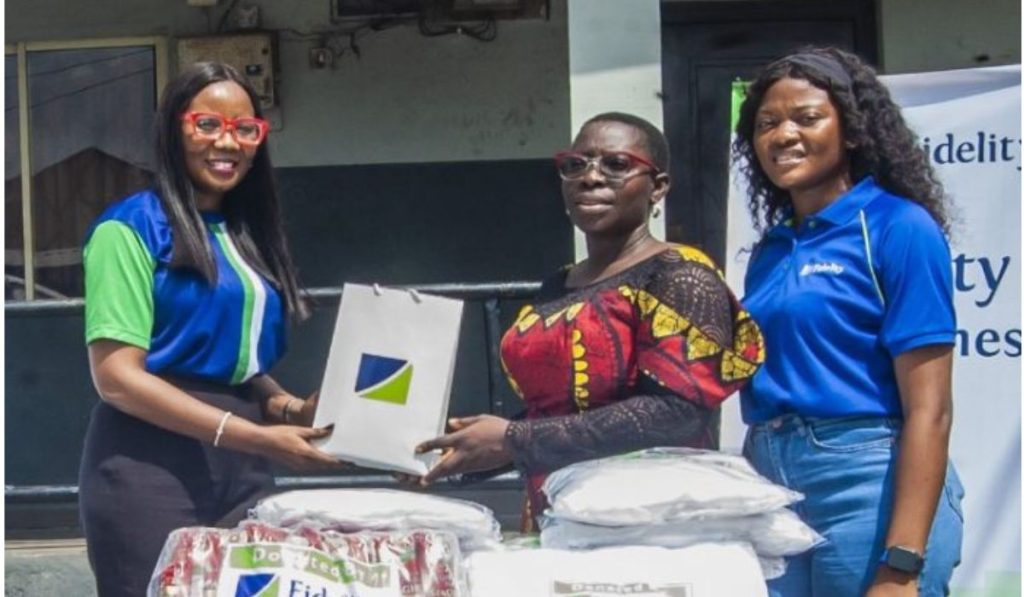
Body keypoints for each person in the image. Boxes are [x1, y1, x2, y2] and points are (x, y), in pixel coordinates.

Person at [412, 112, 765, 529]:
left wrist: (515, 439)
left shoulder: (680, 275)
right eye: (574, 165)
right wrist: (463, 452)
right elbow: (562, 411)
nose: (590, 177)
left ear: (659, 187)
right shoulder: (558, 284)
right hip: (557, 514)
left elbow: (677, 413)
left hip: (651, 521)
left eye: (616, 164)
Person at [78, 62, 343, 597]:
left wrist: (290, 409)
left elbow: (237, 364)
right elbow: (117, 378)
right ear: (173, 129)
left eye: (246, 130)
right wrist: (255, 436)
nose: (228, 142)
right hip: (148, 465)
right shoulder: (129, 229)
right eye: (208, 125)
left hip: (242, 466)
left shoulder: (247, 233)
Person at [732, 47, 964, 597]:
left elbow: (930, 408)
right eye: (767, 124)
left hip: (865, 482)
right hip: (769, 486)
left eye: (806, 118)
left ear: (853, 130)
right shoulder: (773, 247)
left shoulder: (898, 227)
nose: (783, 134)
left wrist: (902, 560)